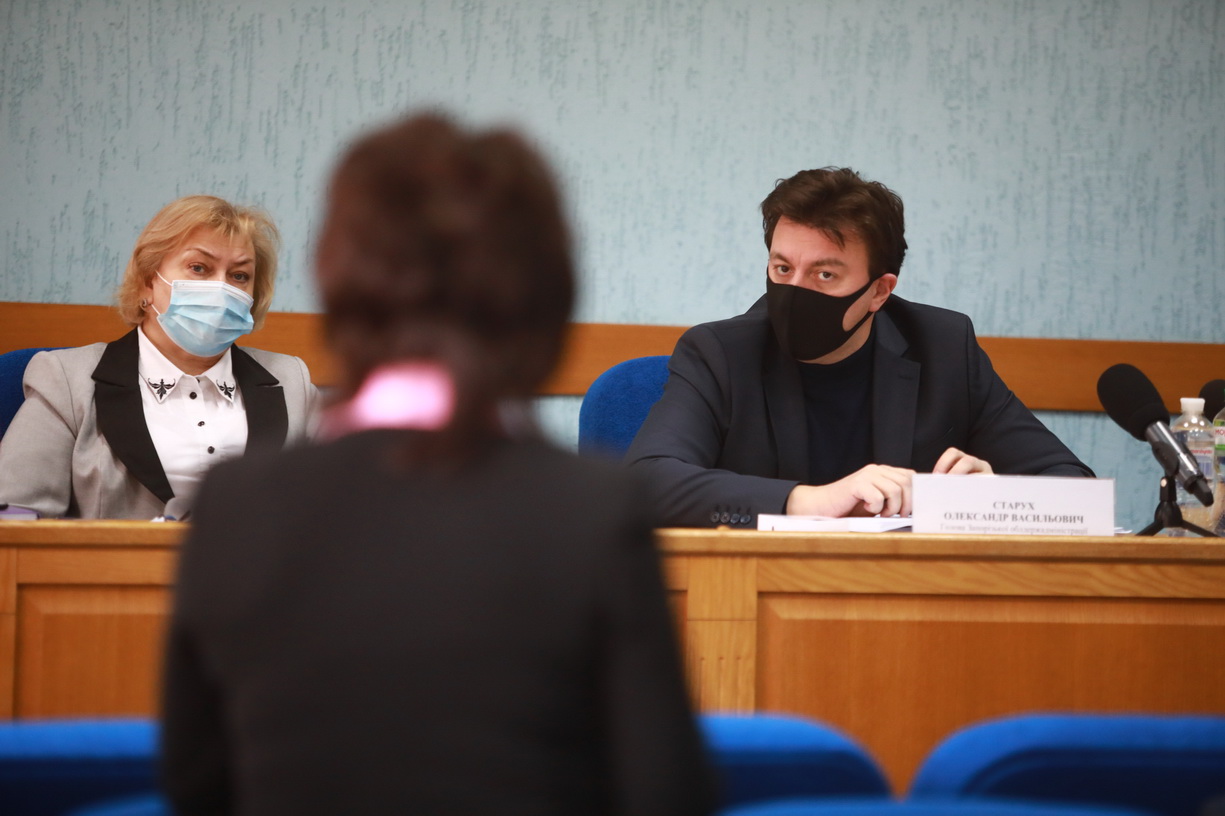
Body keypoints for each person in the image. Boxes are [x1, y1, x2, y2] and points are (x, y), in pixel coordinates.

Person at [159, 115, 715, 816]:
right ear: (545, 299)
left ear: (340, 283)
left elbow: (196, 786)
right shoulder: (593, 508)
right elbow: (664, 790)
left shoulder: (238, 504)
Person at [626, 167, 1092, 528]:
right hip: (759, 592)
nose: (796, 290)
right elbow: (646, 482)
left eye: (825, 274)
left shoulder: (943, 348)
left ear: (879, 292)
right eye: (783, 268)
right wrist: (808, 501)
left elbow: (1074, 486)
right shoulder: (722, 354)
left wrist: (992, 499)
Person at [0, 196, 318, 519]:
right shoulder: (66, 381)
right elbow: (15, 520)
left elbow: (338, 508)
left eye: (239, 276)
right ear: (147, 282)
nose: (221, 288)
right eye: (199, 268)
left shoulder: (292, 382)